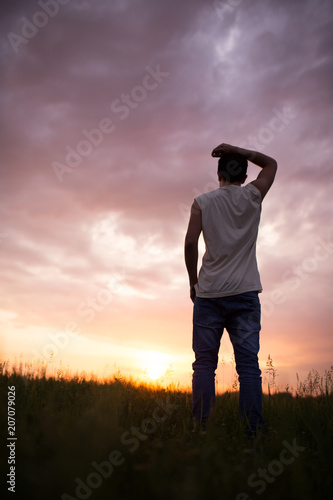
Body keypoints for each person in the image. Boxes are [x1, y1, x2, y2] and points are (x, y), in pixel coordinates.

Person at [184, 143, 277, 440]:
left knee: (205, 365)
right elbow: (271, 164)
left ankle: (200, 431)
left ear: (218, 173)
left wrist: (192, 283)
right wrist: (236, 149)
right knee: (249, 366)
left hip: (210, 294)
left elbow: (189, 244)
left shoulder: (202, 201)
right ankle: (253, 435)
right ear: (246, 174)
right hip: (246, 294)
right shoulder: (253, 196)